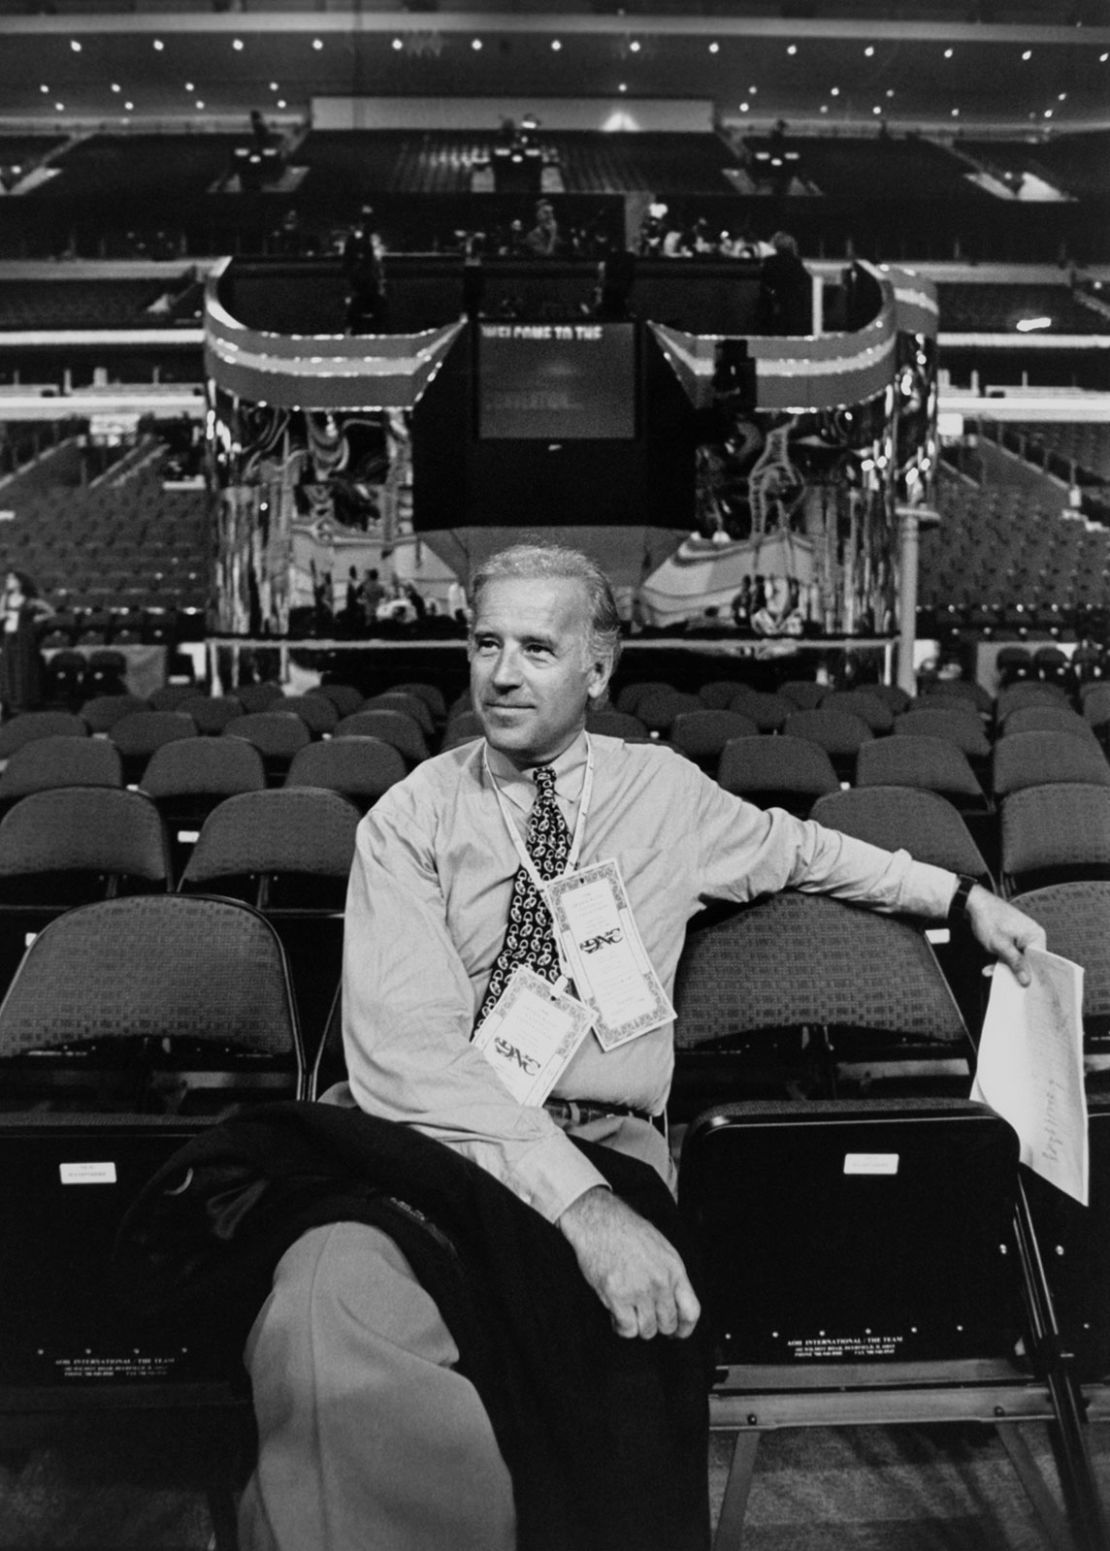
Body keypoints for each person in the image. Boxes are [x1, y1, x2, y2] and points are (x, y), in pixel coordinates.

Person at [239, 543, 1045, 1551]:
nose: (502, 673)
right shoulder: (410, 821)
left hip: (602, 1142)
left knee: (613, 1393)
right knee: (321, 1312)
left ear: (596, 669)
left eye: (538, 647)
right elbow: (409, 1061)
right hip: (428, 1146)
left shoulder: (664, 795)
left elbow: (810, 851)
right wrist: (581, 1215)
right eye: (486, 643)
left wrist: (962, 898)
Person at [0, 569, 51, 716]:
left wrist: (35, 620)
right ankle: (10, 701)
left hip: (24, 638)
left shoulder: (29, 600)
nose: (8, 582)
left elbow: (50, 611)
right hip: (8, 637)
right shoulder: (5, 597)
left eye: (11, 579)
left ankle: (23, 702)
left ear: (19, 582)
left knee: (23, 669)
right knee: (8, 668)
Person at [758, 230, 813, 336]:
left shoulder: (768, 261)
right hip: (791, 305)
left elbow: (763, 280)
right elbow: (805, 281)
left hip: (771, 303)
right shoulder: (795, 262)